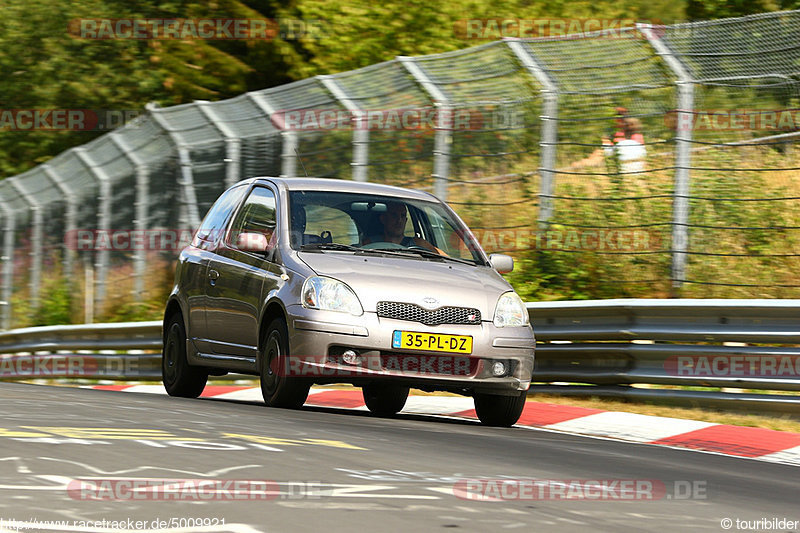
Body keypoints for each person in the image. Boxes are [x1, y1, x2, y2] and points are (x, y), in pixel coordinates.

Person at [365, 201, 440, 252]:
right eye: (394, 215)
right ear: (383, 219)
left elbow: (443, 258)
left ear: (406, 220)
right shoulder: (369, 244)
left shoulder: (419, 243)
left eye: (403, 215)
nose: (399, 220)